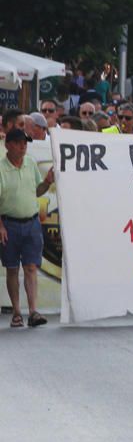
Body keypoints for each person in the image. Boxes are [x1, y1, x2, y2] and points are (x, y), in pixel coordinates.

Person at [0, 129, 54, 328]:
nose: (24, 146)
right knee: (12, 268)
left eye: (25, 142)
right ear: (8, 145)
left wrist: (47, 182)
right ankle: (16, 311)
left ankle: (33, 311)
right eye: (19, 142)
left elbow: (37, 190)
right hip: (9, 223)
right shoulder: (0, 168)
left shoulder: (31, 163)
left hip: (31, 222)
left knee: (31, 267)